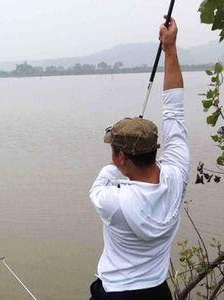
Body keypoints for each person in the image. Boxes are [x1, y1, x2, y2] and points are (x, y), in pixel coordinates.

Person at [89, 17, 188, 300]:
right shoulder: (176, 176)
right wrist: (170, 49)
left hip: (116, 294)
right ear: (154, 149)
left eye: (115, 151)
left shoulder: (114, 201)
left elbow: (97, 187)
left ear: (121, 157)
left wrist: (115, 165)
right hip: (157, 292)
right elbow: (174, 110)